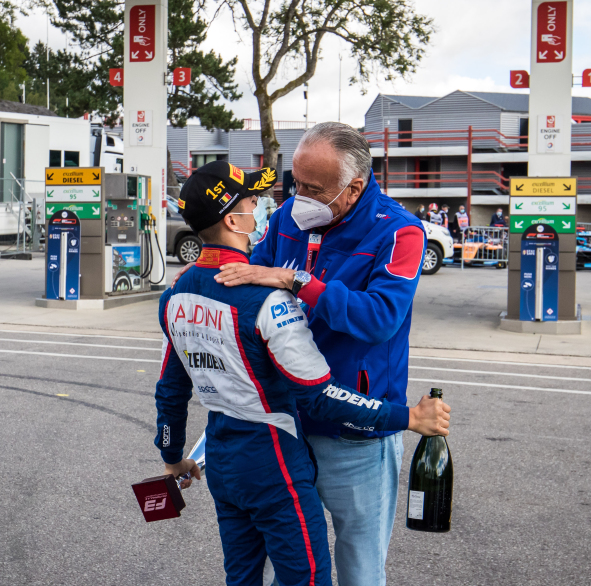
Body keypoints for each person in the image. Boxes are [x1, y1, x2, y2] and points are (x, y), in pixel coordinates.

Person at [156, 160, 451, 586]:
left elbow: (170, 391)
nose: (274, 204)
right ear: (234, 218)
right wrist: (407, 417)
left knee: (242, 577)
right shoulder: (268, 299)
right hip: (276, 457)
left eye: (309, 187)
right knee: (307, 578)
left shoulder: (174, 295)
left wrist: (170, 457)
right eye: (255, 201)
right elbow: (319, 396)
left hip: (224, 457)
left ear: (353, 186)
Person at [210, 122, 429, 586]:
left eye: (313, 188)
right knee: (290, 558)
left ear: (353, 187)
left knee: (359, 564)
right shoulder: (291, 216)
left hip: (353, 429)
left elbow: (380, 317)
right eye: (295, 182)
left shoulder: (400, 233)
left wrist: (299, 282)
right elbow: (251, 275)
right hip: (285, 421)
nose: (298, 196)